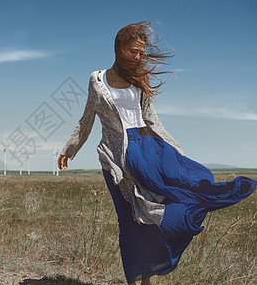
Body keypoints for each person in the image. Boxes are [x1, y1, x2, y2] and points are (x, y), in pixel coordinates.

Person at [57, 21, 256, 285]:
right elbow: (86, 119)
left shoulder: (140, 78)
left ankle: (150, 276)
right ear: (119, 49)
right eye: (134, 51)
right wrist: (69, 149)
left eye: (141, 52)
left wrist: (176, 152)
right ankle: (136, 280)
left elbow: (152, 119)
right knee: (129, 221)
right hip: (116, 160)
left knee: (170, 200)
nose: (138, 57)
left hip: (147, 150)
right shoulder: (97, 80)